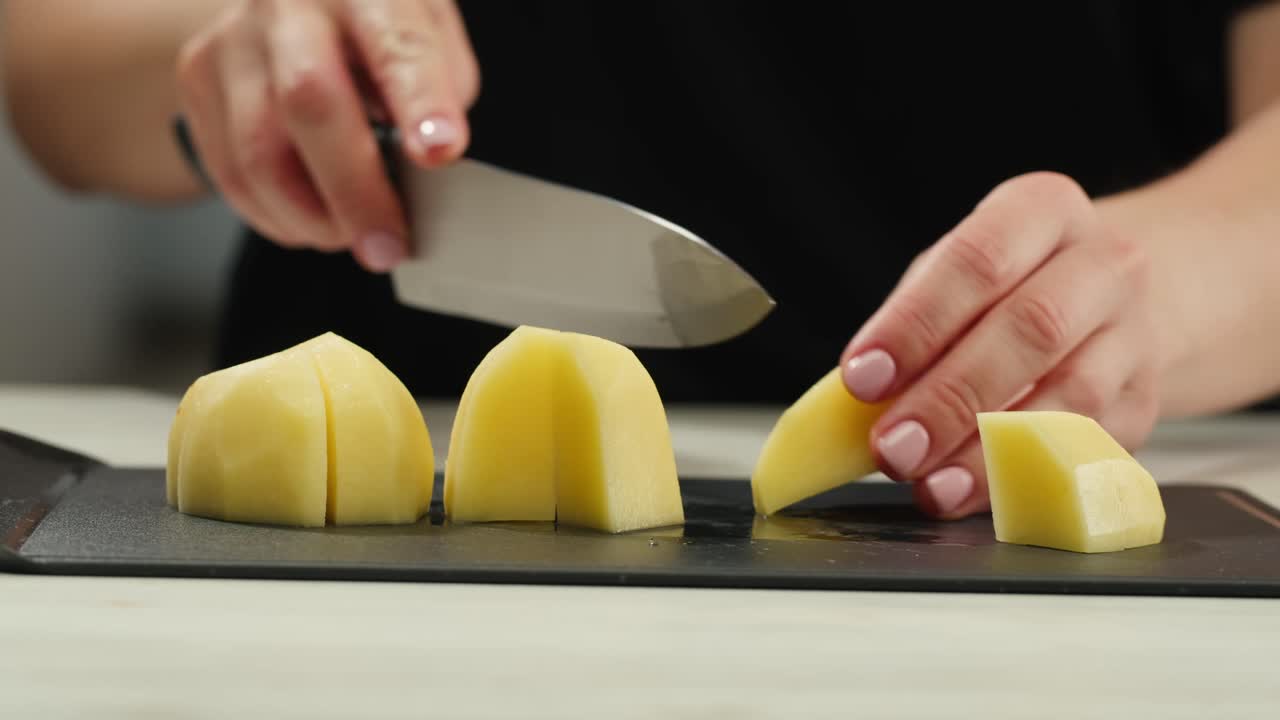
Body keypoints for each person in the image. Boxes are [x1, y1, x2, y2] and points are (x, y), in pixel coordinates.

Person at [6, 1, 1280, 520]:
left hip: (1035, 473)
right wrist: (237, 44)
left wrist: (1142, 285)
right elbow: (52, 75)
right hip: (359, 545)